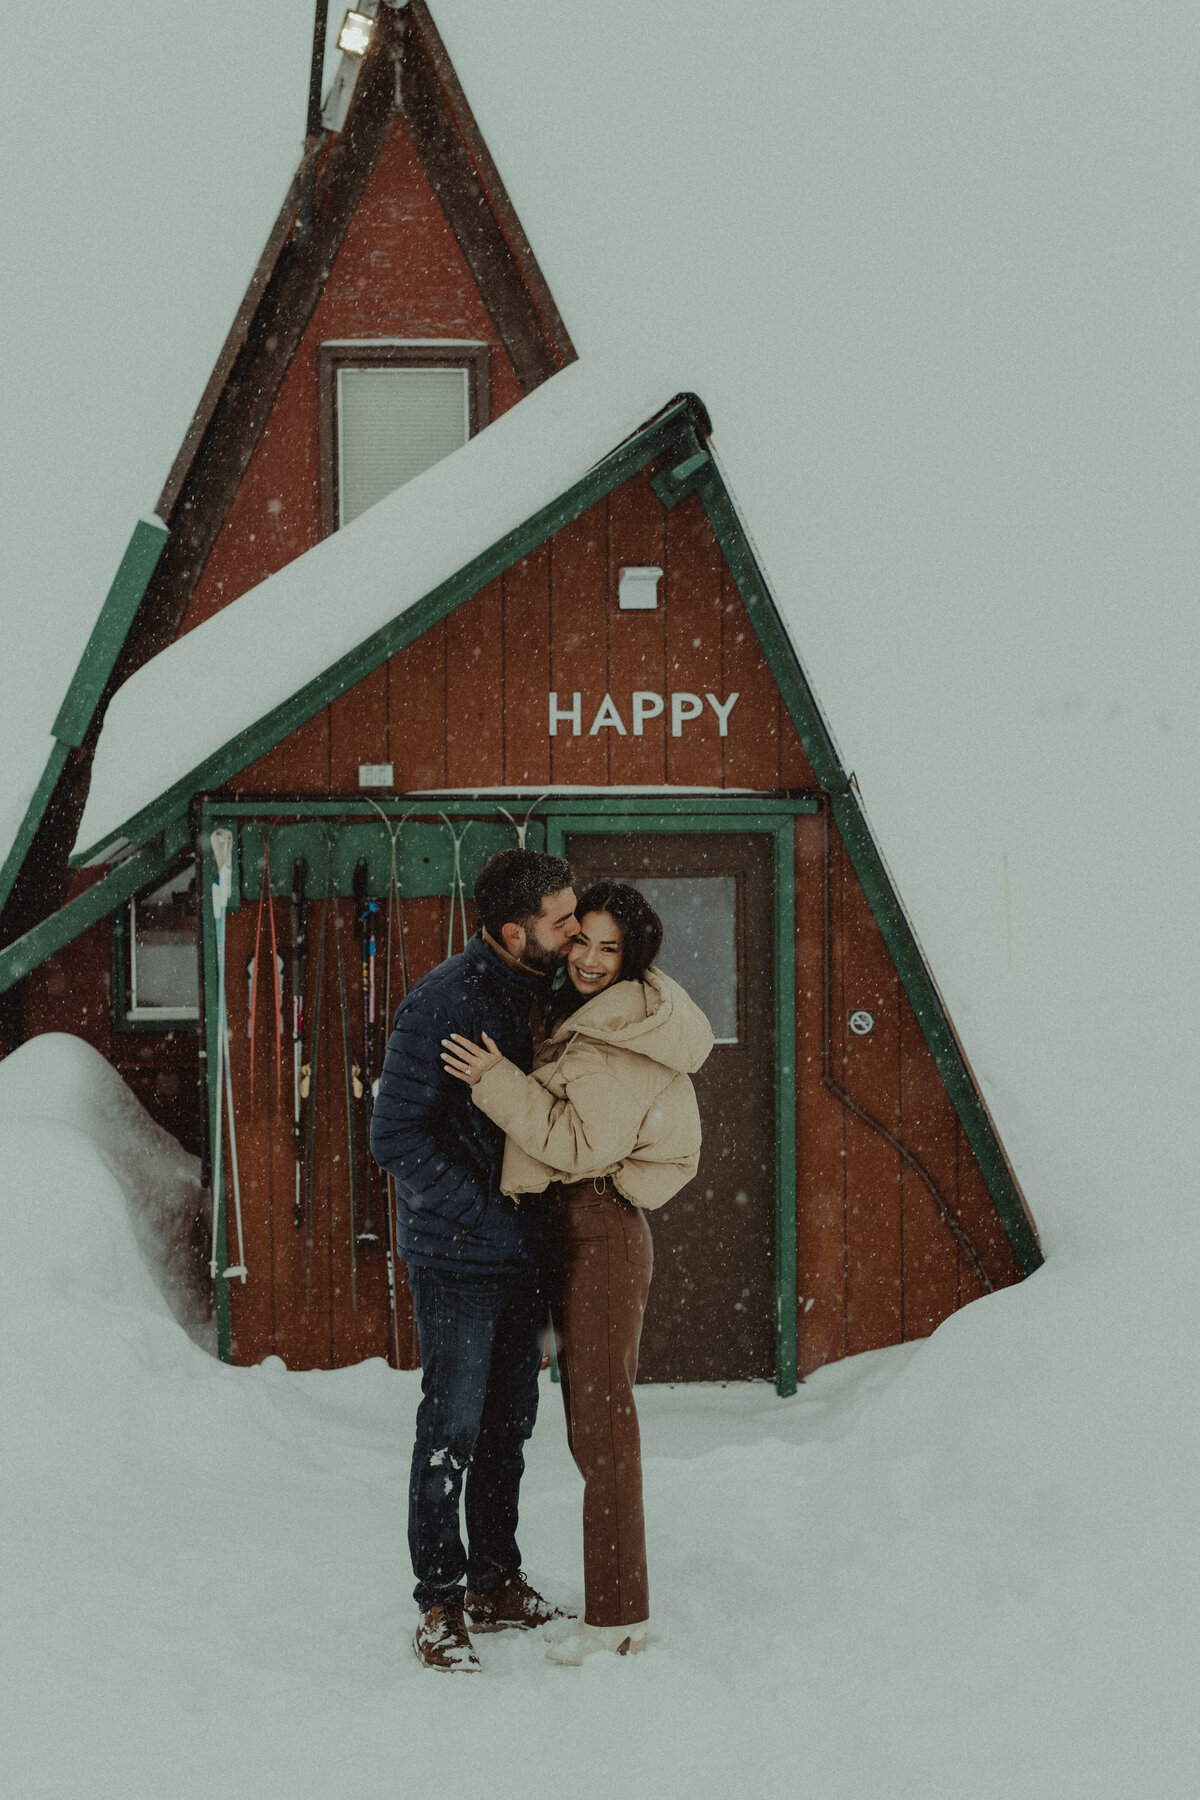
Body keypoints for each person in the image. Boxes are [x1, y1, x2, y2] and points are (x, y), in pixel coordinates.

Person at [441, 880, 714, 1663]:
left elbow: (577, 1146)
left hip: (599, 1231)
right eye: (583, 940)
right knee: (578, 1422)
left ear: (634, 958)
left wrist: (494, 1082)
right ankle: (597, 1600)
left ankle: (619, 1619)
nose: (591, 959)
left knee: (602, 1429)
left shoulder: (615, 1033)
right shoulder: (586, 1014)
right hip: (566, 1227)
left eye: (609, 947)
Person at [370, 847, 580, 1674]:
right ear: (508, 931)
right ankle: (439, 1603)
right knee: (451, 1429)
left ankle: (497, 1580)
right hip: (459, 1259)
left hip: (524, 1255)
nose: (574, 932)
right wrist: (491, 1215)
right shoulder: (444, 1003)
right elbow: (395, 1137)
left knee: (509, 1427)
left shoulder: (548, 993)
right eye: (559, 921)